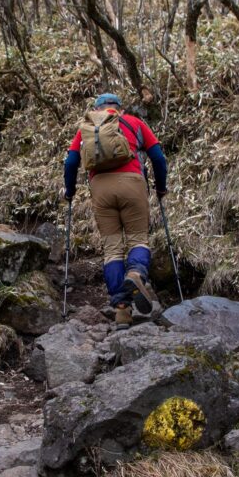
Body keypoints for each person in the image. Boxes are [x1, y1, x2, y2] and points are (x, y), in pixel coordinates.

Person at [63, 93, 168, 330]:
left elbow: (70, 163)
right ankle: (136, 273)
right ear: (119, 109)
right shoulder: (134, 123)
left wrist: (69, 192)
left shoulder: (87, 128)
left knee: (112, 249)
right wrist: (161, 188)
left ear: (97, 108)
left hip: (100, 188)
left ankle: (122, 310)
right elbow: (158, 158)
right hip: (132, 183)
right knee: (138, 239)